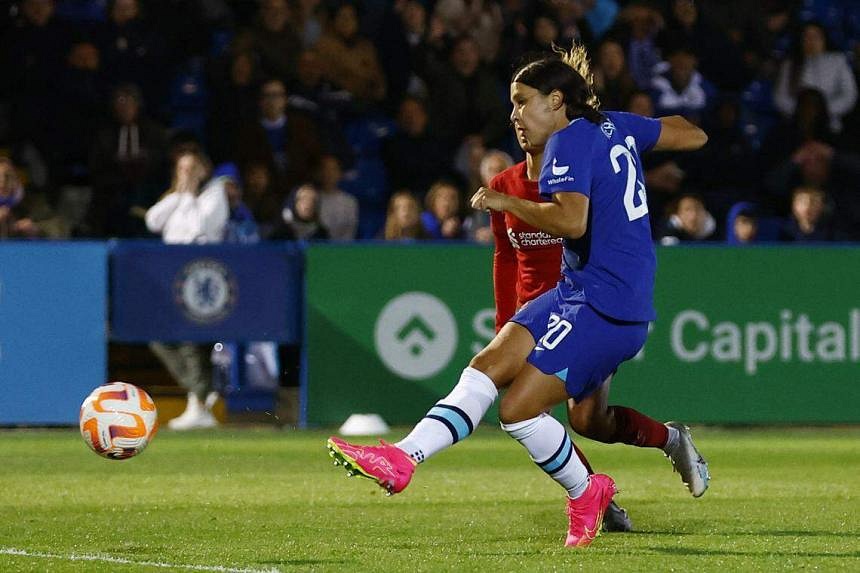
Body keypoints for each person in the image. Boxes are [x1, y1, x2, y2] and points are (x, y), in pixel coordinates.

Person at [327, 45, 710, 548]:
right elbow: (693, 133)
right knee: (486, 365)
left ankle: (590, 489)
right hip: (575, 293)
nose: (514, 116)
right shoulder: (611, 126)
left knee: (522, 412)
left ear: (556, 101)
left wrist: (509, 202)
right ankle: (403, 458)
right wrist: (637, 133)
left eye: (522, 102)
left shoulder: (567, 146)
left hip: (606, 307)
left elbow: (573, 220)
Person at [144, 148, 229, 430]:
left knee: (193, 339)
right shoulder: (175, 196)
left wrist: (190, 194)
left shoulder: (215, 193)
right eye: (182, 168)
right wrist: (180, 194)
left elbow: (200, 228)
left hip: (202, 271)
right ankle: (200, 393)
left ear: (204, 170)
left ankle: (199, 402)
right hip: (172, 274)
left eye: (192, 168)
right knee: (157, 334)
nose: (187, 174)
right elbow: (153, 221)